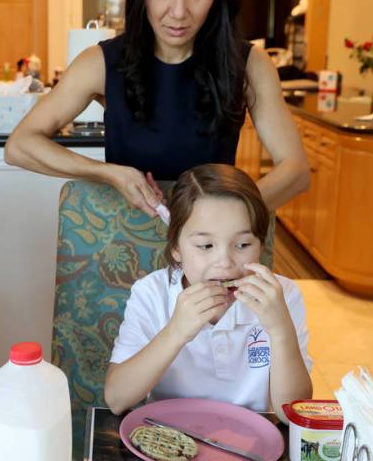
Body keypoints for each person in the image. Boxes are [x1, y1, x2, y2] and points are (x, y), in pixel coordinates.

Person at [4, 0, 309, 216]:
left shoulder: (249, 64)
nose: (178, 12)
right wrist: (109, 173)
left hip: (211, 249)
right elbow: (20, 145)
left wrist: (229, 217)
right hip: (127, 240)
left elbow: (296, 169)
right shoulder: (101, 63)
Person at [103, 164, 312, 421]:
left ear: (260, 244)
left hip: (252, 441)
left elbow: (292, 413)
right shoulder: (151, 293)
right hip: (169, 438)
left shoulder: (283, 296)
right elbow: (116, 399)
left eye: (243, 244)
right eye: (205, 245)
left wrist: (281, 331)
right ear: (176, 248)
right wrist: (176, 331)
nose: (224, 261)